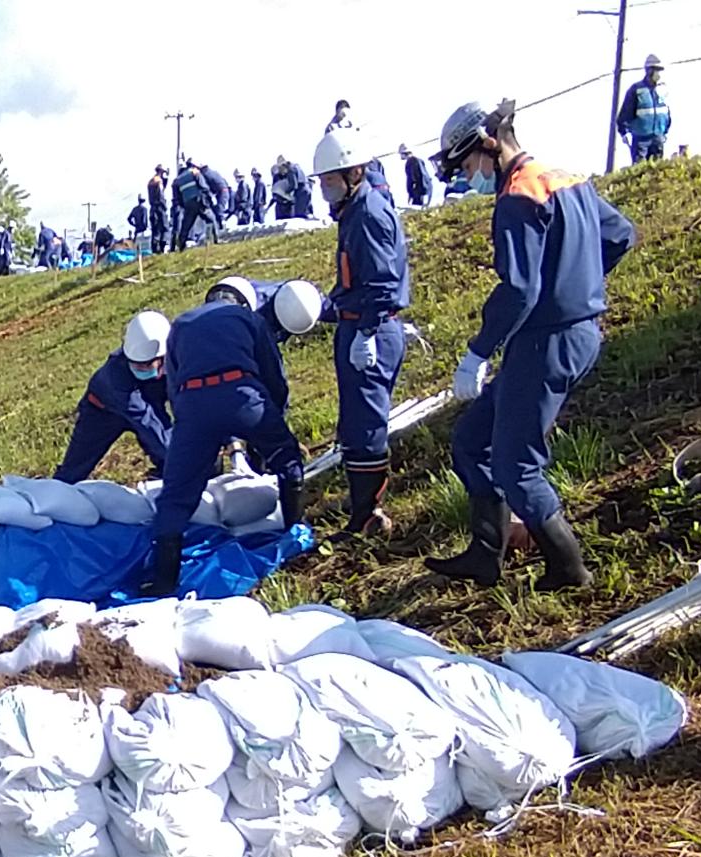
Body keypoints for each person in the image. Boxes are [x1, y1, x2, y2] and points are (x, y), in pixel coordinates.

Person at [424, 101, 637, 593]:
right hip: (573, 332)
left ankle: (568, 567)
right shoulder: (563, 177)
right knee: (471, 440)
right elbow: (620, 235)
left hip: (547, 340)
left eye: (467, 165)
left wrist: (478, 352)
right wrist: (579, 280)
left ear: (487, 146)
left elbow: (518, 289)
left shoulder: (518, 196)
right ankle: (485, 553)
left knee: (514, 465)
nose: (468, 177)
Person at [145, 296, 308, 596]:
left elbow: (173, 381)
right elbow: (273, 372)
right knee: (288, 462)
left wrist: (189, 424)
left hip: (193, 403)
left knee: (176, 494)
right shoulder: (249, 319)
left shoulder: (181, 324)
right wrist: (274, 422)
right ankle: (294, 537)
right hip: (243, 394)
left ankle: (164, 582)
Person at [313, 129, 412, 543]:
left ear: (354, 172)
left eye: (329, 180)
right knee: (354, 424)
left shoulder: (368, 213)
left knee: (367, 423)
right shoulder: (354, 212)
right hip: (356, 324)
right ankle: (360, 511)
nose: (324, 189)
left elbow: (382, 281)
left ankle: (369, 516)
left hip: (371, 328)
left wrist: (367, 331)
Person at [52, 312, 173, 483]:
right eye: (136, 364)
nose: (141, 369)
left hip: (150, 402)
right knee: (73, 471)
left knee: (169, 461)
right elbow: (149, 425)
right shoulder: (115, 378)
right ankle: (58, 491)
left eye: (147, 365)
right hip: (102, 412)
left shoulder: (175, 359)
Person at [618, 55, 672, 163]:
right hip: (640, 140)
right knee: (640, 171)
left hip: (658, 137)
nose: (659, 73)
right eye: (657, 70)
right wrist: (624, 132)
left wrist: (665, 131)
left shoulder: (663, 89)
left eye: (661, 70)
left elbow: (666, 112)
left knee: (656, 171)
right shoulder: (636, 90)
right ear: (649, 71)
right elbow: (625, 114)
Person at [173, 159, 210, 252]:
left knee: (186, 226)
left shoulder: (177, 180)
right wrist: (208, 200)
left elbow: (177, 198)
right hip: (198, 201)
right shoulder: (195, 172)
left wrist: (184, 205)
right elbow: (204, 187)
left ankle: (181, 245)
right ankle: (215, 240)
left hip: (188, 204)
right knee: (211, 219)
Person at [147, 165, 171, 255]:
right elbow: (161, 193)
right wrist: (164, 206)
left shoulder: (150, 181)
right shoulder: (158, 181)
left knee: (155, 230)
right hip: (159, 207)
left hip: (152, 208)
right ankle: (163, 246)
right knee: (165, 228)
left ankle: (155, 249)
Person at [271, 156, 298, 220]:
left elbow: (293, 186)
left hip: (289, 204)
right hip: (280, 205)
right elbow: (274, 191)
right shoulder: (276, 177)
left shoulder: (290, 174)